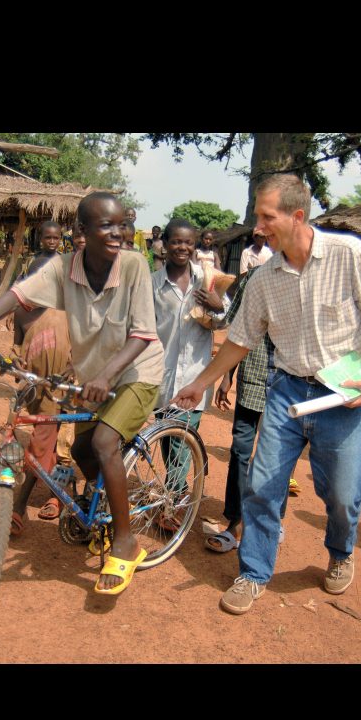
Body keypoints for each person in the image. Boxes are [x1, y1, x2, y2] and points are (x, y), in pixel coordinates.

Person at [172, 174, 361, 614]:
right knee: (261, 485)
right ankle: (253, 572)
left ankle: (340, 550)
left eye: (266, 216)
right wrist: (201, 382)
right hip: (288, 390)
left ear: (297, 217)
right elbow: (240, 340)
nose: (257, 226)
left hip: (346, 395)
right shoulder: (262, 279)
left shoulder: (349, 255)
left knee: (342, 493)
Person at [0, 192, 165, 596]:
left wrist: (105, 374)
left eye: (122, 225)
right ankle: (103, 510)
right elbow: (18, 296)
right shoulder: (64, 269)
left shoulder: (134, 265)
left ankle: (125, 542)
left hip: (137, 372)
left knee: (103, 443)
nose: (118, 233)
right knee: (83, 452)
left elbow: (141, 335)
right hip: (94, 377)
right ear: (81, 231)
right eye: (106, 225)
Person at [207, 266, 296, 553]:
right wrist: (226, 376)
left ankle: (272, 519)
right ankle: (234, 522)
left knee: (280, 455)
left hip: (288, 381)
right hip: (253, 375)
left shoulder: (308, 278)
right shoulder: (254, 277)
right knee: (240, 450)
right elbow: (239, 331)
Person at [151, 218, 228, 515]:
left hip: (194, 378)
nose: (183, 247)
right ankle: (180, 490)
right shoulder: (153, 284)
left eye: (189, 243)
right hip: (162, 375)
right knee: (168, 442)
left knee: (182, 441)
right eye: (177, 242)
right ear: (165, 244)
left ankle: (172, 506)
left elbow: (226, 320)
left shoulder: (209, 280)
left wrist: (217, 304)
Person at [11, 240, 74, 527]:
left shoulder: (70, 311)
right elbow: (18, 348)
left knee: (63, 446)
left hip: (68, 388)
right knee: (39, 442)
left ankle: (43, 500)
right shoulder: (23, 312)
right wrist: (18, 368)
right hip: (37, 387)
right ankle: (43, 498)